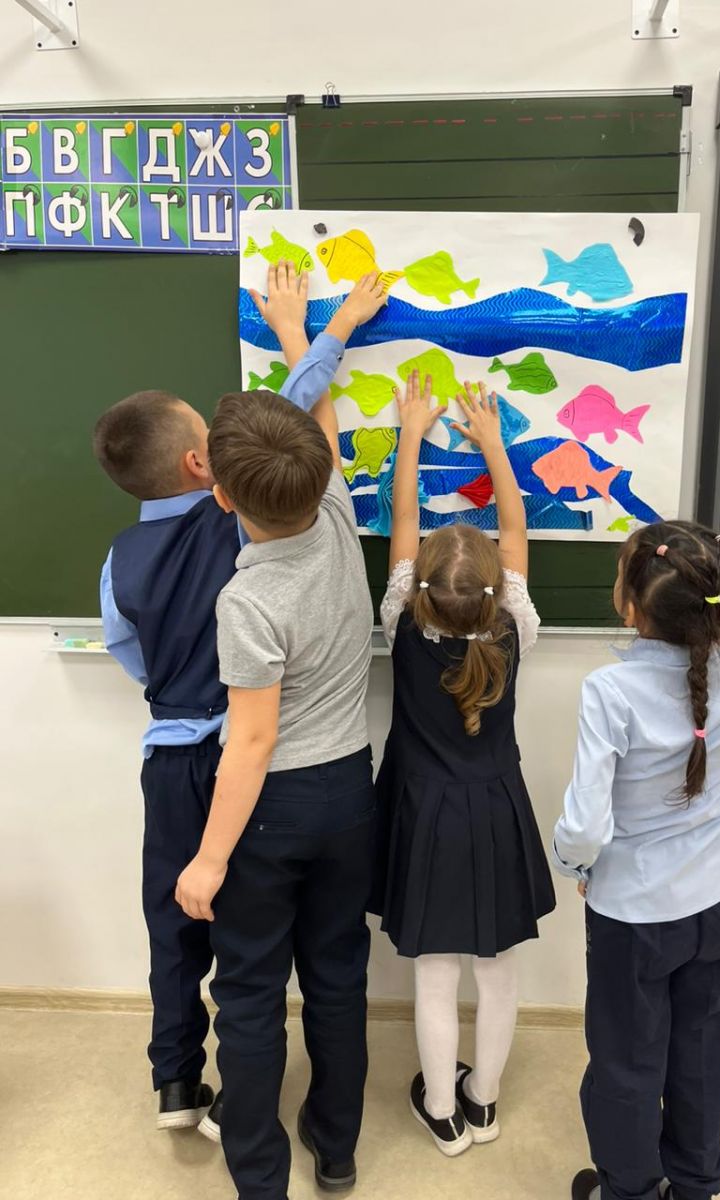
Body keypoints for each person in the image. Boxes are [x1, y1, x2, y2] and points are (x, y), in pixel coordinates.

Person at [92, 260, 378, 1135]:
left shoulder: (118, 562)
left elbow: (127, 651)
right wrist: (321, 331)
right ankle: (262, 1108)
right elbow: (297, 421)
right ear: (205, 469)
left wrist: (175, 699)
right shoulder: (242, 515)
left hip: (169, 756)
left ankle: (177, 1082)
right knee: (250, 942)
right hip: (239, 762)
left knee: (173, 916)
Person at [173, 317, 382, 1199]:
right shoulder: (337, 513)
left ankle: (259, 1175)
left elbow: (252, 742)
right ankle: (336, 1147)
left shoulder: (247, 599)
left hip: (271, 811)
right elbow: (320, 427)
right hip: (349, 795)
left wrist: (209, 858)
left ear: (222, 498)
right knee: (337, 977)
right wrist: (312, 335)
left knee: (251, 992)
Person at [553, 521, 720, 1200]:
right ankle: (694, 1185)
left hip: (632, 915)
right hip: (719, 904)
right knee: (703, 1052)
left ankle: (630, 1189)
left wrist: (576, 866)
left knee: (626, 1062)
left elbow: (585, 825)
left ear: (632, 607)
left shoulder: (610, 690)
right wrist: (718, 780)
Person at [372, 374, 556, 1157]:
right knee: (499, 970)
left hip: (423, 812)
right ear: (495, 587)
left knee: (436, 974)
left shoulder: (400, 618)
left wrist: (410, 434)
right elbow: (513, 528)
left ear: (418, 587)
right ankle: (483, 1102)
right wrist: (494, 445)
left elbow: (404, 522)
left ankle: (442, 1112)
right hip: (497, 809)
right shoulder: (514, 621)